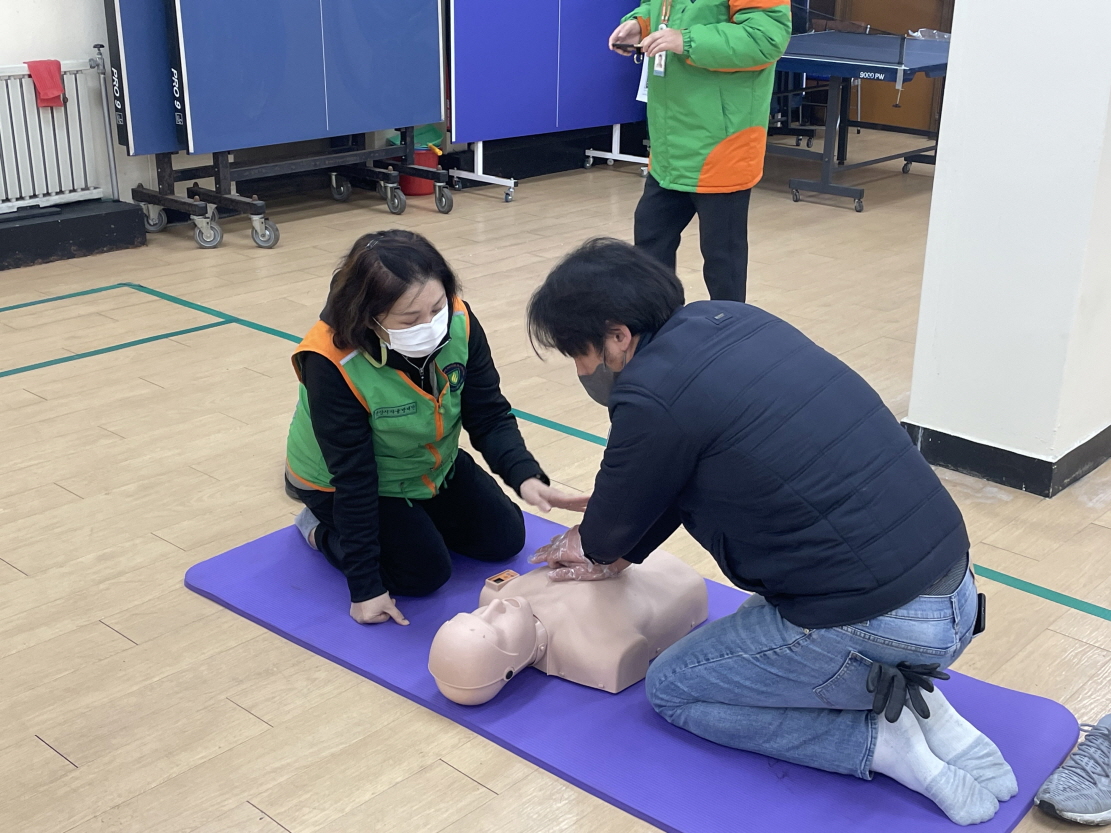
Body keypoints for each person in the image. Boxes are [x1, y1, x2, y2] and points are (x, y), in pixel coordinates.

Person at [525, 238, 1017, 826]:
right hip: (956, 589)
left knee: (673, 689)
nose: (581, 371)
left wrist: (596, 539)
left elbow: (604, 535)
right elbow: (684, 472)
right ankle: (916, 700)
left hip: (879, 621)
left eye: (578, 354)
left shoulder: (651, 395)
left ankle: (880, 740)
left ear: (616, 335)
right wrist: (621, 519)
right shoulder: (735, 318)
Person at [284, 230, 585, 627]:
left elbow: (488, 412)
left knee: (505, 539)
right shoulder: (330, 360)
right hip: (346, 483)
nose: (430, 324)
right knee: (423, 574)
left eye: (437, 307)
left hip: (428, 464)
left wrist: (525, 476)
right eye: (410, 319)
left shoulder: (458, 320)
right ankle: (318, 529)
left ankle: (417, 521)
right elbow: (354, 477)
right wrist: (365, 587)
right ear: (368, 316)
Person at [608, 0, 792, 302]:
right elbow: (660, 8)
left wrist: (687, 40)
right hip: (671, 141)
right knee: (650, 247)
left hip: (722, 143)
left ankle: (729, 339)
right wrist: (640, 24)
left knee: (723, 262)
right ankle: (660, 334)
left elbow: (766, 38)